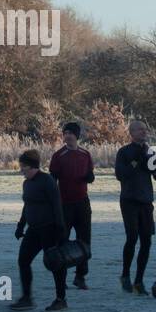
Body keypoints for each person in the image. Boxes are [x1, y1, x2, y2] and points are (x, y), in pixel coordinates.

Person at [11, 149, 69, 312]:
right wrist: (21, 226)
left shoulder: (47, 181)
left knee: (55, 263)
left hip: (49, 228)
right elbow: (27, 205)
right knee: (23, 260)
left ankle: (60, 299)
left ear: (32, 166)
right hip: (34, 229)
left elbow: (57, 205)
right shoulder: (27, 183)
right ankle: (26, 298)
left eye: (23, 167)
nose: (21, 171)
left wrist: (60, 228)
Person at [114, 119, 156, 294]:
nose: (144, 132)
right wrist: (137, 161)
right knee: (132, 238)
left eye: (145, 129)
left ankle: (139, 281)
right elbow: (121, 175)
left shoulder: (151, 152)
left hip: (146, 201)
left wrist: (153, 167)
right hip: (129, 201)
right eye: (140, 130)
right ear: (132, 133)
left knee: (146, 241)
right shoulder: (124, 152)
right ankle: (125, 275)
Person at [49, 121, 96, 290]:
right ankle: (61, 276)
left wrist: (89, 178)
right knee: (62, 240)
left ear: (77, 136)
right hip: (64, 204)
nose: (67, 135)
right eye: (65, 132)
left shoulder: (85, 154)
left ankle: (81, 276)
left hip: (82, 203)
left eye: (70, 133)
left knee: (84, 241)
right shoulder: (58, 156)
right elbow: (52, 179)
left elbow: (91, 175)